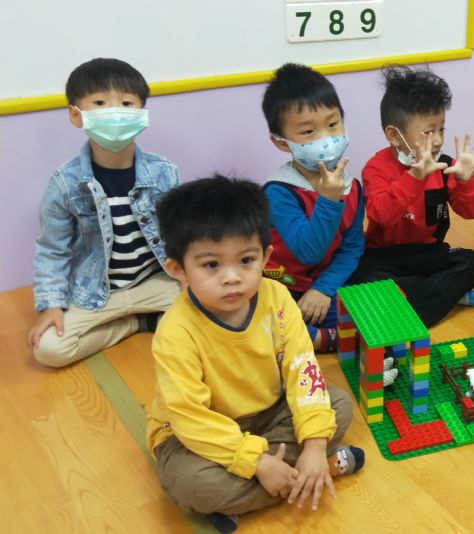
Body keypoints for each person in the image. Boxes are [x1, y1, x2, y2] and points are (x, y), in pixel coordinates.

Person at [146, 177, 364, 532]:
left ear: (266, 256)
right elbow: (190, 419)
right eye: (211, 265)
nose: (232, 277)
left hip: (268, 412)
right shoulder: (175, 333)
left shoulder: (277, 298)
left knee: (338, 403)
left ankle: (290, 474)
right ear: (178, 270)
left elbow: (303, 370)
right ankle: (323, 470)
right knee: (189, 483)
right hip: (200, 434)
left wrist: (312, 446)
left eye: (246, 260)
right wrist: (258, 462)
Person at [27, 58, 181, 367]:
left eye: (126, 103)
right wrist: (51, 305)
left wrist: (190, 275)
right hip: (96, 292)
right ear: (76, 115)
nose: (115, 111)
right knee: (49, 349)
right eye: (99, 102)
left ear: (141, 113)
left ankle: (150, 316)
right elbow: (52, 249)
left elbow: (183, 232)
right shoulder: (64, 183)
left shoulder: (164, 172)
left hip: (157, 283)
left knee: (219, 309)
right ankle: (136, 323)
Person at [352, 65, 474, 327]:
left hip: (428, 254)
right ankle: (438, 296)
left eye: (441, 129)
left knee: (471, 263)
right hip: (384, 256)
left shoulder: (445, 165)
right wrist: (414, 178)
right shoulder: (376, 168)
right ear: (394, 135)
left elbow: (473, 211)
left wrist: (466, 180)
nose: (437, 140)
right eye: (428, 131)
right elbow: (381, 214)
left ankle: (403, 305)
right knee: (360, 275)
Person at [261, 63, 364, 353]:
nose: (325, 139)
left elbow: (352, 248)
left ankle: (311, 335)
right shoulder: (278, 192)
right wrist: (329, 201)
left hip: (323, 284)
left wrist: (323, 289)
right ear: (282, 143)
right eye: (308, 131)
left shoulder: (352, 187)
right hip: (279, 284)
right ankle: (319, 338)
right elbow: (308, 251)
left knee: (377, 301)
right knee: (253, 317)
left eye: (333, 125)